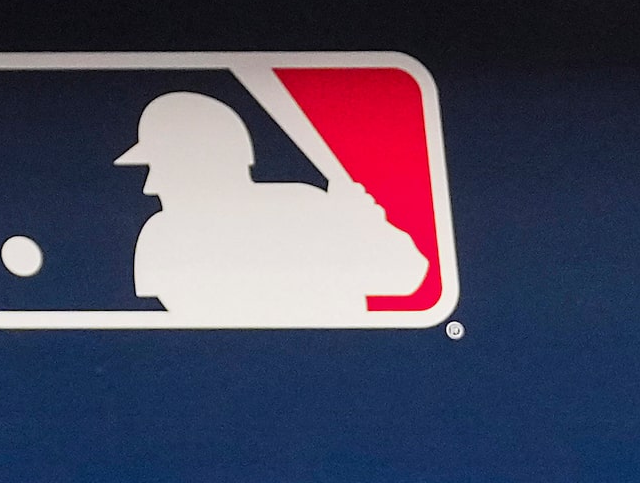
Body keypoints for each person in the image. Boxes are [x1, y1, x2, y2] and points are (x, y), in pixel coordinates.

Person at [116, 91, 427, 324]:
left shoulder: (308, 207)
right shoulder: (164, 235)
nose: (150, 186)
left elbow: (408, 277)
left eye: (163, 167)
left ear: (209, 163)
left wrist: (365, 228)